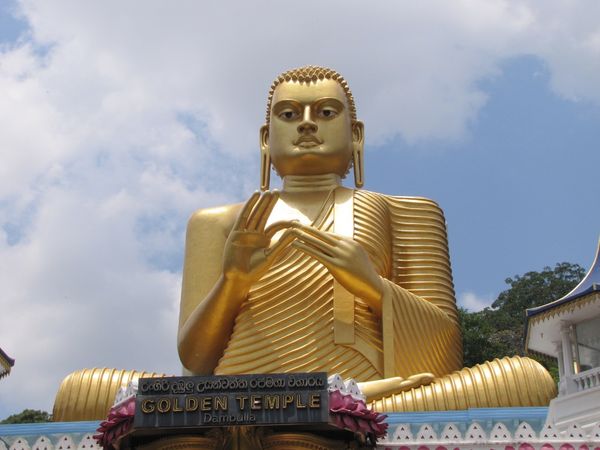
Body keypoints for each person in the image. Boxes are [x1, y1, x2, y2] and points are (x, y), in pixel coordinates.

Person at [177, 66, 556, 411]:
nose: (307, 125)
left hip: (372, 395)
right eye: (289, 114)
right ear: (266, 139)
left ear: (356, 134)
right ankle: (330, 405)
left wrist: (373, 286)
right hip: (234, 398)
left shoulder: (405, 211)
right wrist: (232, 284)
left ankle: (341, 403)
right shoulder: (218, 222)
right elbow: (195, 361)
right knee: (121, 390)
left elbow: (444, 354)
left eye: (326, 113)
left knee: (525, 380)